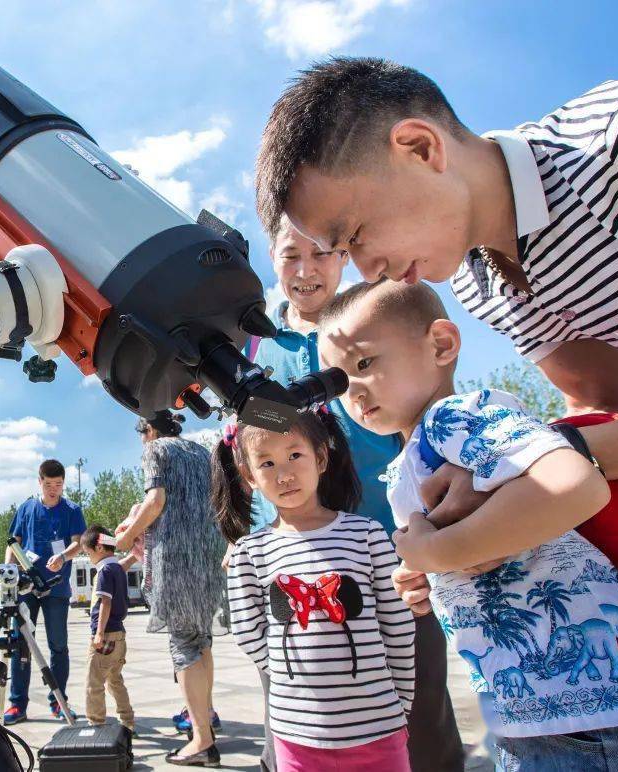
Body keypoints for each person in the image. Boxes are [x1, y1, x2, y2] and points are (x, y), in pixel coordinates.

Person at [253, 60, 618, 610]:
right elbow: (612, 405)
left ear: (421, 148)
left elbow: (586, 447)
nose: (368, 270)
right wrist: (487, 528)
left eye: (356, 234)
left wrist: (524, 466)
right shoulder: (476, 277)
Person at [318, 279, 618, 769]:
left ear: (441, 344)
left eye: (365, 364)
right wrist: (429, 573)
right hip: (543, 712)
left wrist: (438, 552)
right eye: (339, 381)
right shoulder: (413, 459)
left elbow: (576, 482)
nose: (354, 391)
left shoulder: (455, 419)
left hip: (598, 715)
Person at [237, 213, 461, 772]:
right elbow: (254, 445)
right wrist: (246, 542)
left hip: (395, 564)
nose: (306, 270)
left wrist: (436, 537)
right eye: (291, 256)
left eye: (321, 253)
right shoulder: (258, 350)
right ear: (272, 261)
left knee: (421, 720)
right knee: (294, 727)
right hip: (296, 574)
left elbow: (420, 424)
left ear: (343, 257)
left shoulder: (376, 325)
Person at [217, 409, 414, 771]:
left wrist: (402, 701)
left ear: (321, 457)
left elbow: (398, 626)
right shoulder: (250, 551)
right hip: (295, 735)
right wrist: (291, 677)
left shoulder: (367, 534)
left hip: (379, 727)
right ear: (249, 476)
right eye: (267, 463)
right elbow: (247, 631)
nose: (284, 474)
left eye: (295, 455)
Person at [115, 411, 226, 766]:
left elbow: (156, 501)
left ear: (148, 430)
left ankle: (202, 741)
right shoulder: (201, 452)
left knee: (183, 645)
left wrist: (128, 536)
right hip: (209, 556)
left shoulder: (155, 449)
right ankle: (205, 716)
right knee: (202, 640)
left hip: (176, 560)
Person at [3, 458, 87, 725]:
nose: (53, 489)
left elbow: (78, 543)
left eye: (58, 484)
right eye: (48, 484)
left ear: (64, 483)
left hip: (56, 590)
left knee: (58, 646)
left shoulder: (72, 510)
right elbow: (14, 543)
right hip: (26, 588)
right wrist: (7, 572)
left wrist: (63, 557)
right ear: (39, 481)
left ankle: (59, 702)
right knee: (21, 645)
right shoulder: (26, 508)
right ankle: (17, 704)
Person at [79, 525, 135, 733]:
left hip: (106, 636)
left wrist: (99, 634)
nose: (89, 558)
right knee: (115, 680)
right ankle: (127, 721)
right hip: (119, 635)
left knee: (93, 683)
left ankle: (96, 723)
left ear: (99, 548)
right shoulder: (118, 569)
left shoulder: (104, 571)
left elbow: (105, 602)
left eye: (88, 553)